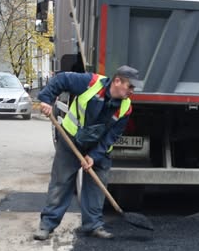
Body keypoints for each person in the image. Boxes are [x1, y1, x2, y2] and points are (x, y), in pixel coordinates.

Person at [33, 65, 140, 241]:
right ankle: (47, 225)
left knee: (97, 187)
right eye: (130, 86)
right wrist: (46, 99)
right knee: (61, 182)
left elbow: (112, 136)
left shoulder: (126, 107)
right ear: (118, 81)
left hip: (98, 147)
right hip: (72, 139)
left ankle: (93, 226)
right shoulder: (90, 83)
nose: (132, 91)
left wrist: (94, 156)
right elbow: (61, 79)